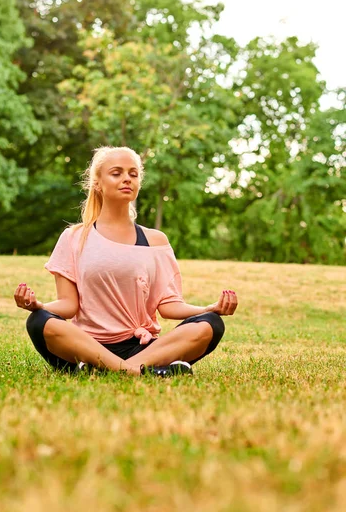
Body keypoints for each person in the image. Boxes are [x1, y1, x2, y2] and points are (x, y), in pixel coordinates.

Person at [14, 146, 238, 377]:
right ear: (98, 183)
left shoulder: (155, 241)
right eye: (117, 173)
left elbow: (169, 305)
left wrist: (208, 309)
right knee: (39, 321)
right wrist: (38, 306)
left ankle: (106, 370)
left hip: (141, 347)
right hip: (88, 345)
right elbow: (68, 305)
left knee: (210, 324)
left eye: (133, 174)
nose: (127, 179)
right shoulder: (74, 238)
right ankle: (141, 371)